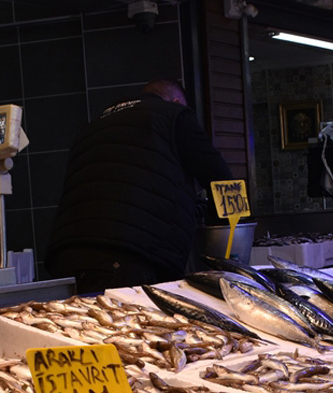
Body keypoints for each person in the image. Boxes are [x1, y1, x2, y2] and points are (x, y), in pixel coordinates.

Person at [46, 78, 233, 293]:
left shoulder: (92, 127)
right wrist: (233, 240)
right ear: (176, 101)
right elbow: (223, 181)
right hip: (130, 259)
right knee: (137, 326)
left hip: (66, 257)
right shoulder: (174, 114)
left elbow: (126, 191)